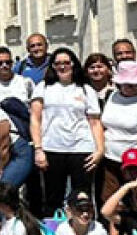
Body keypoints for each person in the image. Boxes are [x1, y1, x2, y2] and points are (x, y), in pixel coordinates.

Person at [30, 48, 104, 217]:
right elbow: (35, 119)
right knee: (53, 198)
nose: (62, 67)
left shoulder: (85, 89)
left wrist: (100, 150)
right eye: (57, 63)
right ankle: (53, 229)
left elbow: (95, 122)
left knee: (82, 196)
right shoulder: (43, 87)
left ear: (73, 64)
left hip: (81, 148)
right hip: (52, 148)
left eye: (66, 63)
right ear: (52, 66)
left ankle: (83, 228)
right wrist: (38, 149)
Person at [98, 61, 137, 203]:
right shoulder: (110, 96)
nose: (129, 86)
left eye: (134, 83)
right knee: (110, 201)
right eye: (125, 83)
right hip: (110, 160)